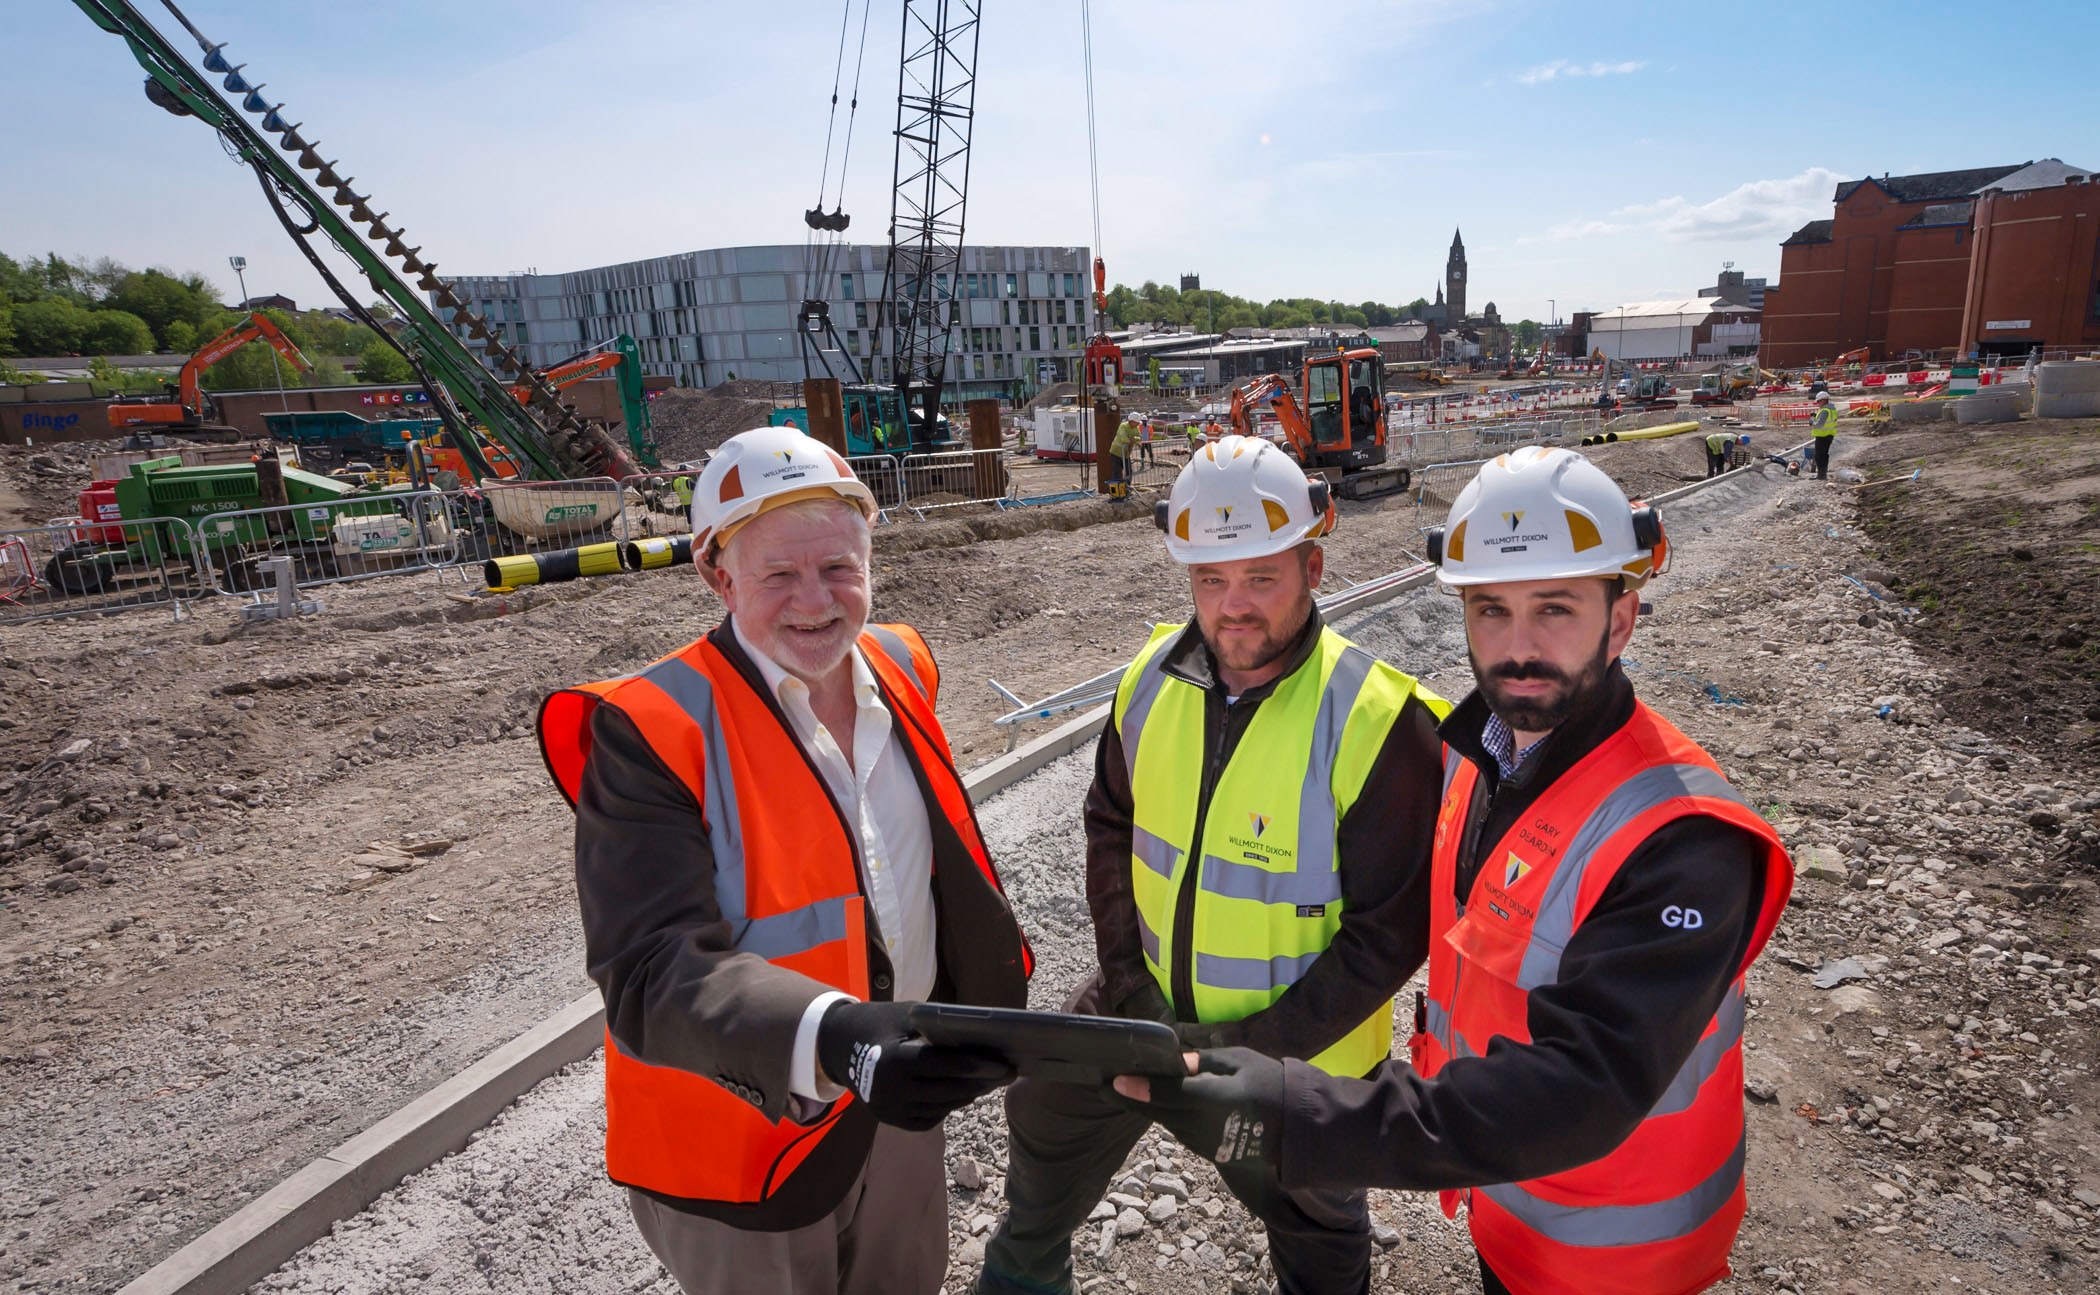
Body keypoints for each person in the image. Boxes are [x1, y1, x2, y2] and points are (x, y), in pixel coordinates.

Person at [1116, 445, 1795, 1295]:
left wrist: (1305, 1110)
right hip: (1510, 1206)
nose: (1518, 648)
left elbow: (1585, 1083)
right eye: (1489, 610)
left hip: (1619, 1249)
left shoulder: (1683, 837)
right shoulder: (1478, 764)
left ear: (1620, 620)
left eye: (1555, 608)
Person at [538, 425, 1033, 1295]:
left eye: (840, 567)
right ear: (717, 573)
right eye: (779, 574)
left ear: (871, 557)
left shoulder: (901, 666)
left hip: (897, 1105)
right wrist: (837, 1037)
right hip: (742, 1141)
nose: (817, 600)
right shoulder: (654, 727)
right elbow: (651, 967)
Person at [977, 435, 1451, 1295]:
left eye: (1260, 578)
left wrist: (1241, 1056)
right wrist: (1128, 989)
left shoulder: (1381, 723)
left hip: (1297, 1063)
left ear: (1313, 565)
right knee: (1045, 1110)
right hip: (1147, 1005)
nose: (1233, 609)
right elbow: (1109, 826)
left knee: (1316, 1229)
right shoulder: (1149, 680)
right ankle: (1019, 1276)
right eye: (1209, 580)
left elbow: (1387, 938)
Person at [1807, 391, 1838, 481]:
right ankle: (1822, 475)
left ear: (1824, 400)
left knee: (1819, 456)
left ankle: (1821, 476)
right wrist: (1816, 416)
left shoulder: (1825, 410)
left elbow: (1819, 424)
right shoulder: (1831, 409)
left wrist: (1812, 420)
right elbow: (1825, 421)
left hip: (1823, 436)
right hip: (1828, 435)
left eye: (1818, 401)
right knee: (1823, 455)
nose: (1818, 403)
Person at [1107, 414, 1139, 496]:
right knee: (1117, 473)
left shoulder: (1135, 428)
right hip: (1116, 453)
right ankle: (1117, 493)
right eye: (1136, 422)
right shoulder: (1123, 426)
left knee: (1129, 472)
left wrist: (1135, 440)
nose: (1138, 424)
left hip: (1126, 454)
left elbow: (1139, 436)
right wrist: (1132, 440)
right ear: (1131, 421)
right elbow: (1123, 439)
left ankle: (1127, 490)